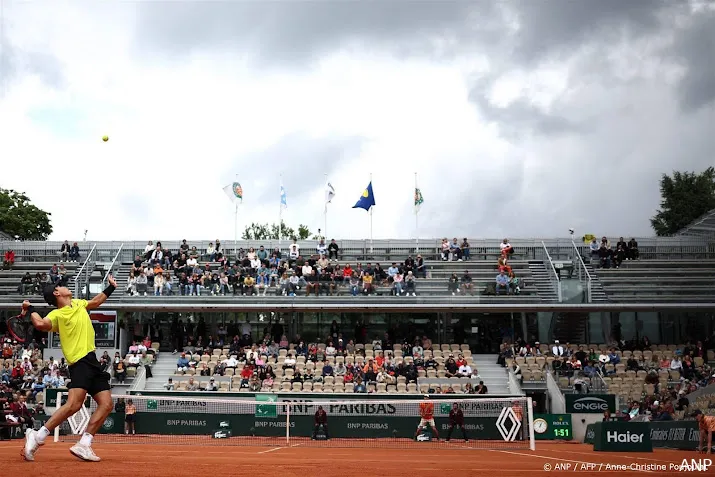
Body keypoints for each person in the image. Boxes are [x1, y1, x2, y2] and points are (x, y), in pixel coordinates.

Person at [21, 275, 118, 462]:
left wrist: (110, 287)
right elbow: (40, 324)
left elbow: (95, 302)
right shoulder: (57, 315)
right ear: (57, 293)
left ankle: (84, 444)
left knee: (106, 404)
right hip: (79, 363)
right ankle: (38, 436)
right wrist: (31, 309)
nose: (66, 287)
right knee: (74, 404)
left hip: (92, 361)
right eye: (62, 286)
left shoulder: (78, 303)